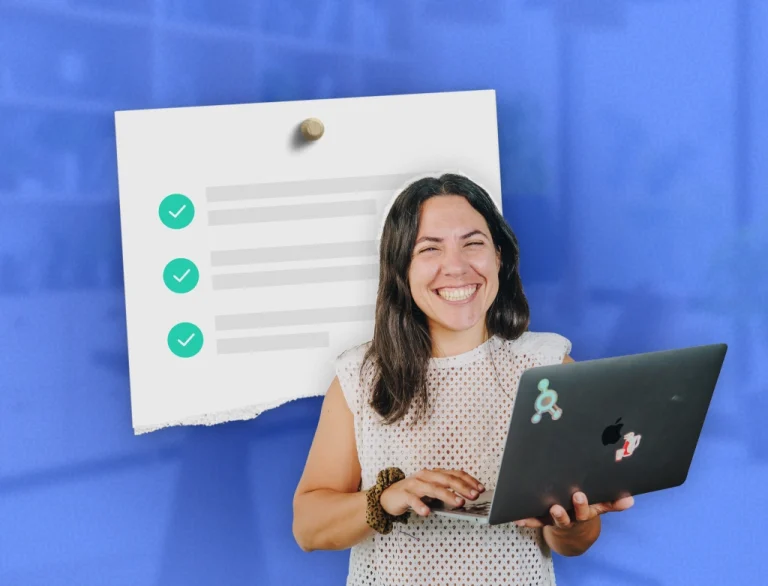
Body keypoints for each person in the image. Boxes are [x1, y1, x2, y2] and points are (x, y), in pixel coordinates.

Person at [292, 173, 634, 585]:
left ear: (499, 257)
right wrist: (385, 498)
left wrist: (572, 522)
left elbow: (573, 541)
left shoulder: (548, 369)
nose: (455, 267)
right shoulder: (362, 377)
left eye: (473, 243)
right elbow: (308, 528)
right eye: (429, 248)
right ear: (401, 268)